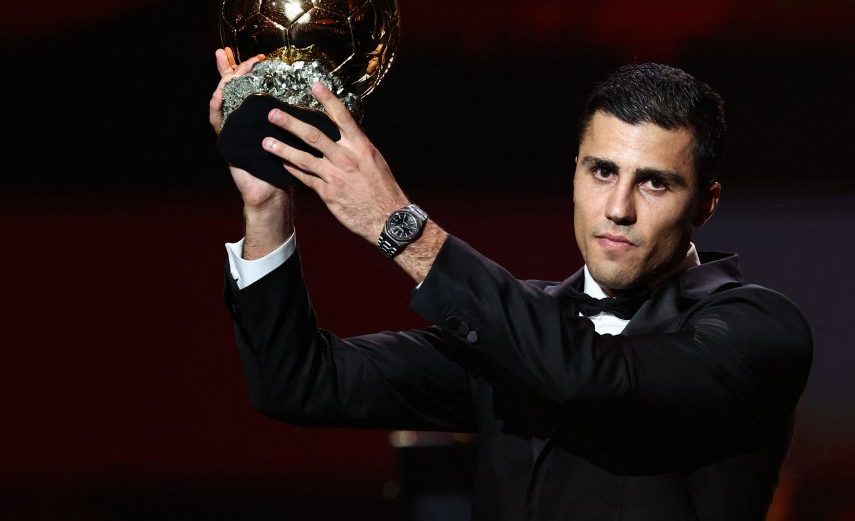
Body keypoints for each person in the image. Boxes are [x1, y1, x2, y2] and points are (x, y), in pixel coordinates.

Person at [209, 48, 813, 521]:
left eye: (655, 183)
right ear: (573, 176)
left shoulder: (758, 330)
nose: (618, 208)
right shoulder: (511, 331)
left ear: (705, 204)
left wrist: (403, 229)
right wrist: (267, 209)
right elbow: (299, 383)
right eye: (602, 172)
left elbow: (593, 378)